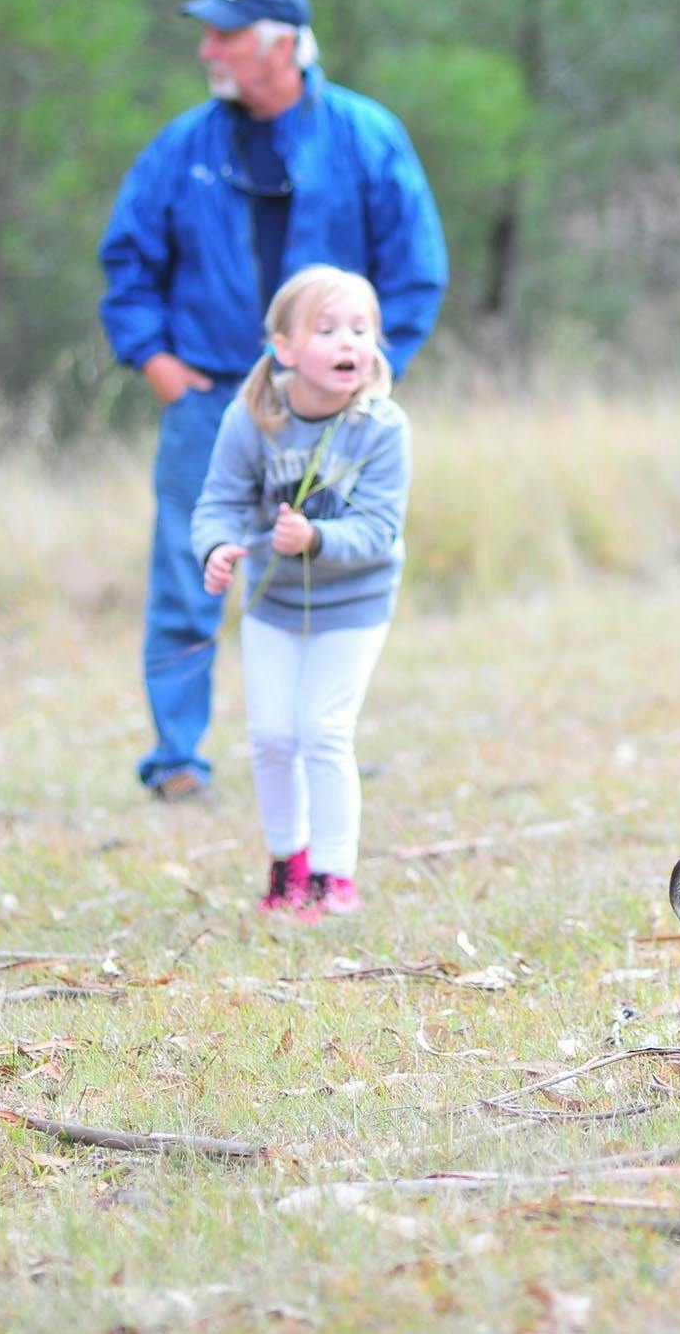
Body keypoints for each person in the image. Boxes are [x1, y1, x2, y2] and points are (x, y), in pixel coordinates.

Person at [98, 0, 446, 804]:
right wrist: (159, 367)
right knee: (193, 570)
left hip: (336, 415)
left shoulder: (365, 136)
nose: (207, 48)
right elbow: (128, 263)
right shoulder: (180, 148)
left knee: (318, 577)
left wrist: (364, 372)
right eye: (207, 32)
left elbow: (415, 269)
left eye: (225, 33)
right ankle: (178, 760)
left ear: (282, 45)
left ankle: (314, 741)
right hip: (210, 400)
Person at [191, 267, 412, 919]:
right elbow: (218, 503)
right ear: (283, 348)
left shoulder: (382, 427)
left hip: (356, 602)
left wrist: (315, 536)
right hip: (273, 603)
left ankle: (333, 876)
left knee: (321, 730)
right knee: (270, 736)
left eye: (360, 328)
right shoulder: (252, 417)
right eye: (327, 329)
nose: (349, 341)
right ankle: (286, 865)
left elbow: (378, 529)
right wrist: (217, 548)